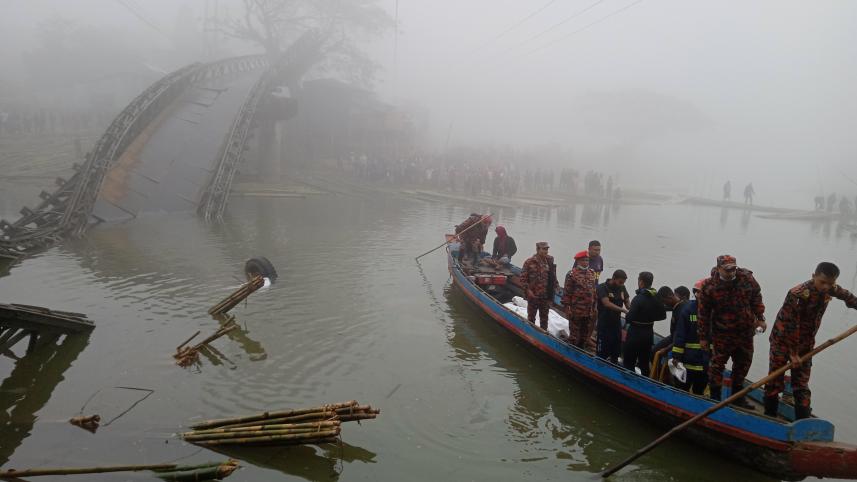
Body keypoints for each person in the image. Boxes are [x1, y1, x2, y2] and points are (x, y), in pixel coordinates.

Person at [764, 262, 857, 419]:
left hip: (805, 344)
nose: (826, 287)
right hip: (782, 341)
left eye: (830, 283)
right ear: (813, 276)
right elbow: (791, 325)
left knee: (801, 385)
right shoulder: (797, 294)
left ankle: (803, 422)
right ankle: (770, 416)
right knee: (774, 380)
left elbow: (847, 296)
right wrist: (793, 353)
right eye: (822, 282)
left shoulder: (831, 288)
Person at [698, 255, 765, 407]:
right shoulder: (709, 286)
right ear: (719, 268)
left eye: (733, 269)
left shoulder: (746, 278)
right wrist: (703, 337)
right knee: (717, 366)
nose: (731, 272)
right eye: (727, 270)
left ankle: (737, 397)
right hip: (722, 333)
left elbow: (756, 297)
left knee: (743, 364)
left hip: (745, 332)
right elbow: (703, 314)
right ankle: (715, 398)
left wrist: (760, 318)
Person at [622, 272, 667, 377]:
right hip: (648, 333)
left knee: (629, 361)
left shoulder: (638, 298)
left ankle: (628, 381)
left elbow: (629, 318)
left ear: (641, 282)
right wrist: (650, 318)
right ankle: (645, 380)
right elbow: (663, 316)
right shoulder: (657, 297)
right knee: (644, 363)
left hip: (635, 333)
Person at [671, 279, 709, 395]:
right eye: (697, 292)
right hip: (688, 359)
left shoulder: (714, 311)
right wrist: (676, 356)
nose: (699, 295)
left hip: (706, 361)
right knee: (682, 388)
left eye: (702, 292)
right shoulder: (688, 310)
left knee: (699, 390)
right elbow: (680, 334)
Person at [562, 250, 598, 348]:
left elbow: (593, 291)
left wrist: (594, 306)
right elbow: (567, 293)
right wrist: (567, 308)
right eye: (583, 260)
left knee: (584, 335)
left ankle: (581, 349)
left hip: (588, 310)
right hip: (576, 310)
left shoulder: (591, 273)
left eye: (587, 260)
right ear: (578, 261)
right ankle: (571, 350)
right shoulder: (572, 274)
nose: (586, 262)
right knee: (574, 335)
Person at [520, 242, 558, 330]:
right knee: (531, 318)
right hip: (534, 295)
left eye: (547, 249)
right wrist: (528, 291)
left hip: (545, 296)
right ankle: (530, 332)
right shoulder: (529, 262)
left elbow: (553, 277)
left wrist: (556, 286)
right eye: (543, 249)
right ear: (537, 249)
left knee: (544, 319)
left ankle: (543, 333)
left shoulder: (549, 261)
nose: (546, 251)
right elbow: (523, 279)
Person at [596, 270, 630, 363]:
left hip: (616, 323)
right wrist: (623, 310)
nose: (621, 284)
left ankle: (614, 362)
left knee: (616, 349)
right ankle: (599, 363)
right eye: (620, 282)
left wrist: (633, 309)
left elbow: (627, 302)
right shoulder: (602, 287)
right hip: (604, 323)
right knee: (602, 350)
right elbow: (606, 303)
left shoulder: (622, 287)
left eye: (623, 283)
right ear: (613, 278)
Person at [652, 286, 691, 356]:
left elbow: (680, 338)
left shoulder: (681, 311)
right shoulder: (676, 306)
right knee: (654, 350)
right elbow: (665, 308)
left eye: (664, 301)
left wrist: (666, 349)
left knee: (658, 352)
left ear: (670, 296)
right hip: (673, 336)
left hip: (679, 338)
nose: (664, 304)